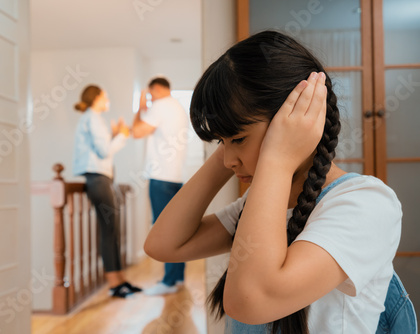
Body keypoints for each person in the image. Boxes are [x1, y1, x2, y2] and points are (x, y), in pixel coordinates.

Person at [144, 31, 410, 333]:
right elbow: (163, 245)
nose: (228, 159)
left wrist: (278, 157)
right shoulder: (257, 207)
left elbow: (251, 302)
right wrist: (231, 144)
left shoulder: (365, 203)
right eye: (221, 142)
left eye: (238, 139)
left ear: (295, 119)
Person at [73, 85, 142, 298]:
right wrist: (121, 136)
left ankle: (120, 280)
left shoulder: (93, 118)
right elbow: (103, 151)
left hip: (101, 178)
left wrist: (113, 135)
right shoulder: (92, 118)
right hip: (97, 178)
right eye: (105, 96)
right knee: (109, 229)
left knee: (112, 230)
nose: (108, 99)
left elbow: (101, 147)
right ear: (96, 98)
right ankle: (114, 284)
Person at [132, 77, 189, 296]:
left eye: (149, 93)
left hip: (160, 176)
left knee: (162, 229)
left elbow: (136, 132)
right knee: (176, 228)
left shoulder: (159, 106)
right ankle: (177, 277)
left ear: (155, 89)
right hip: (176, 176)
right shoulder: (177, 107)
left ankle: (168, 281)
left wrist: (140, 107)